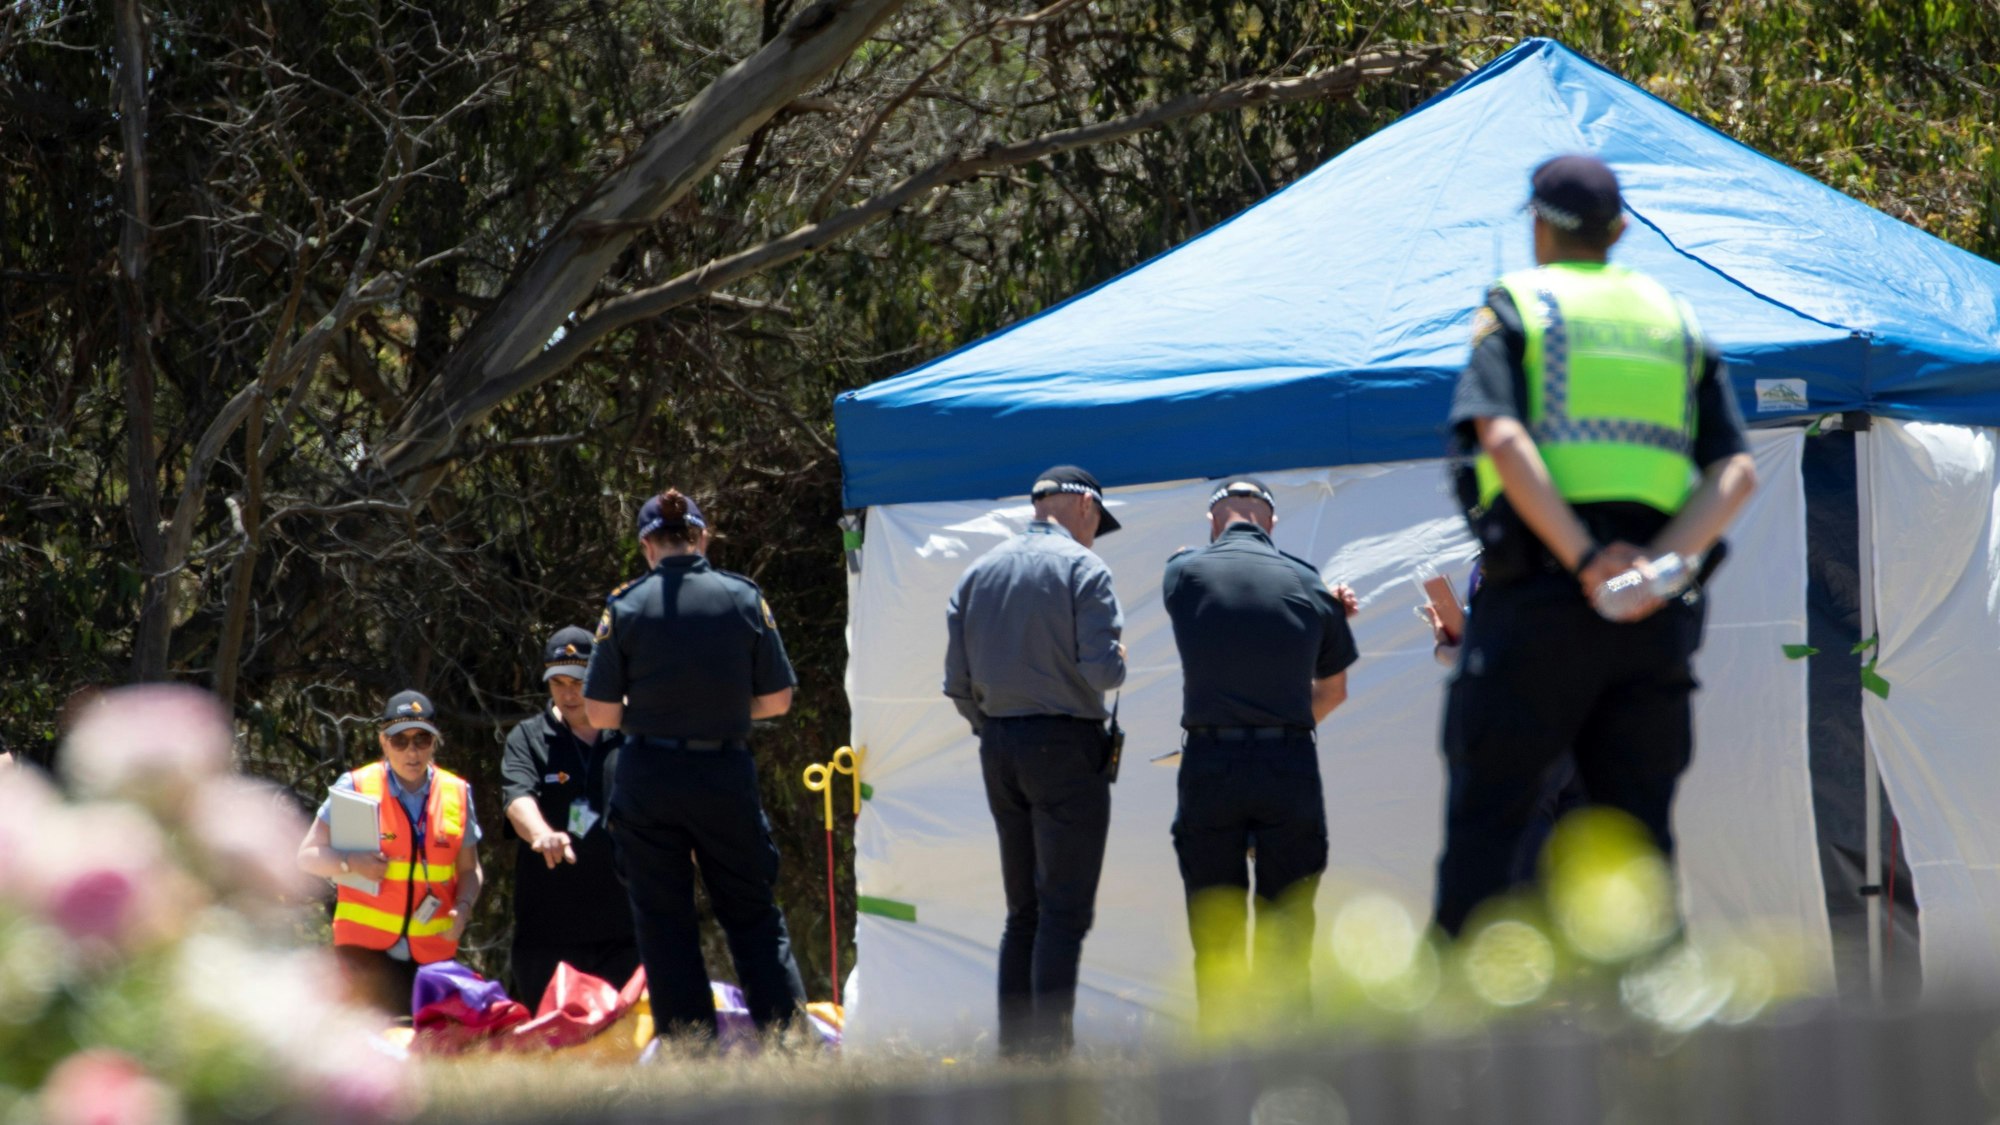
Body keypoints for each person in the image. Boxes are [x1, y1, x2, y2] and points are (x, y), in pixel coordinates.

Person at [1432, 153, 1758, 936]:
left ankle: (1464, 1056)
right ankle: (1650, 1051)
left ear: (1538, 225)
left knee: (1489, 841)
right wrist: (1654, 569)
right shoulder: (1674, 320)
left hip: (1538, 605)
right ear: (1619, 231)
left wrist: (1584, 558)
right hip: (1649, 621)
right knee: (1637, 856)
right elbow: (1735, 471)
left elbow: (1503, 440)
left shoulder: (1519, 305)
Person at [582, 488, 807, 1043]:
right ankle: (787, 1043)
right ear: (702, 536)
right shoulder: (742, 597)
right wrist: (720, 711)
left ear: (646, 546)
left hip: (650, 777)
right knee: (752, 912)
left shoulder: (625, 605)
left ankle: (691, 1051)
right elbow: (778, 700)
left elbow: (600, 711)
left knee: (663, 922)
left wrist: (657, 714)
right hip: (723, 773)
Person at [943, 464, 1127, 1059]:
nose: (1096, 531)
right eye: (1098, 519)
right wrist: (1119, 658)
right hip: (1066, 747)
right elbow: (1104, 672)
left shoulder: (977, 573)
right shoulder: (1084, 567)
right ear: (1083, 507)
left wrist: (992, 728)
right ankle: (1049, 1060)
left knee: (1022, 911)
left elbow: (956, 684)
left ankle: (1013, 1058)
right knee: (1063, 912)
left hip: (999, 746)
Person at [1161, 476, 1359, 1023]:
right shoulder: (1307, 581)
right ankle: (1288, 1065)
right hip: (1287, 763)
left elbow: (1182, 564)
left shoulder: (1183, 573)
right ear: (1271, 522)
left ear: (1214, 520)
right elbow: (1335, 690)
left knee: (1216, 929)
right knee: (1287, 930)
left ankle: (1221, 1063)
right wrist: (1284, 723)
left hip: (1209, 762)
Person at [296, 690, 484, 1015]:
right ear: (384, 742)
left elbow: (470, 869)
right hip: (364, 956)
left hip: (432, 954)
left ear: (434, 743)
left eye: (422, 740)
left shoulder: (456, 792)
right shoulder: (356, 786)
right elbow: (308, 855)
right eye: (400, 741)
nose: (412, 752)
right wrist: (350, 862)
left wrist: (464, 908)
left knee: (428, 1054)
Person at [500, 626, 638, 1007]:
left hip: (625, 929)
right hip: (548, 931)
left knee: (625, 1049)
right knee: (553, 1050)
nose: (568, 693)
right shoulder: (528, 737)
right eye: (558, 682)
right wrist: (541, 833)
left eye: (578, 681)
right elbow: (517, 800)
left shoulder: (632, 732)